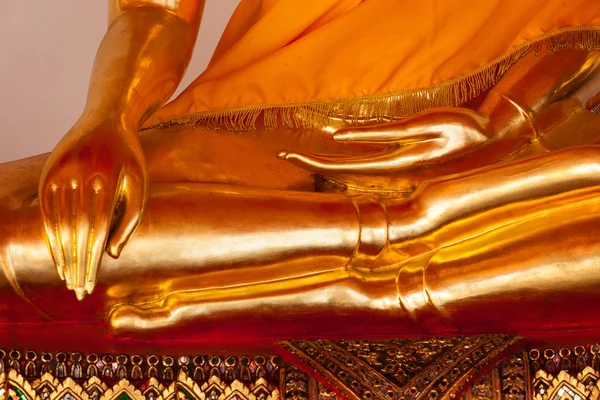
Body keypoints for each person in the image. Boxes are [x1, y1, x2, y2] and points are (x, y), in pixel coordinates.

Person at [1, 0, 600, 351]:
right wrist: (109, 117)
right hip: (269, 121)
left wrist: (515, 113)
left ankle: (403, 239)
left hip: (520, 105)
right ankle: (408, 227)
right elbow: (154, 8)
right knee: (15, 236)